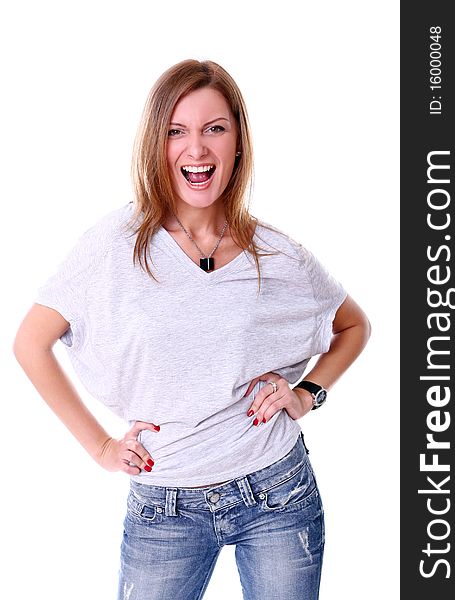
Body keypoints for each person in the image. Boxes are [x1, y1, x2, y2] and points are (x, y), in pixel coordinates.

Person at [13, 59, 371, 600]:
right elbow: (30, 343)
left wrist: (306, 394)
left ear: (237, 142)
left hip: (276, 490)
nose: (196, 149)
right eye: (177, 131)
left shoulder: (277, 254)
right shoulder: (115, 244)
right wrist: (102, 448)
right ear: (157, 144)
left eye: (214, 129)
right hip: (165, 505)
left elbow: (353, 325)